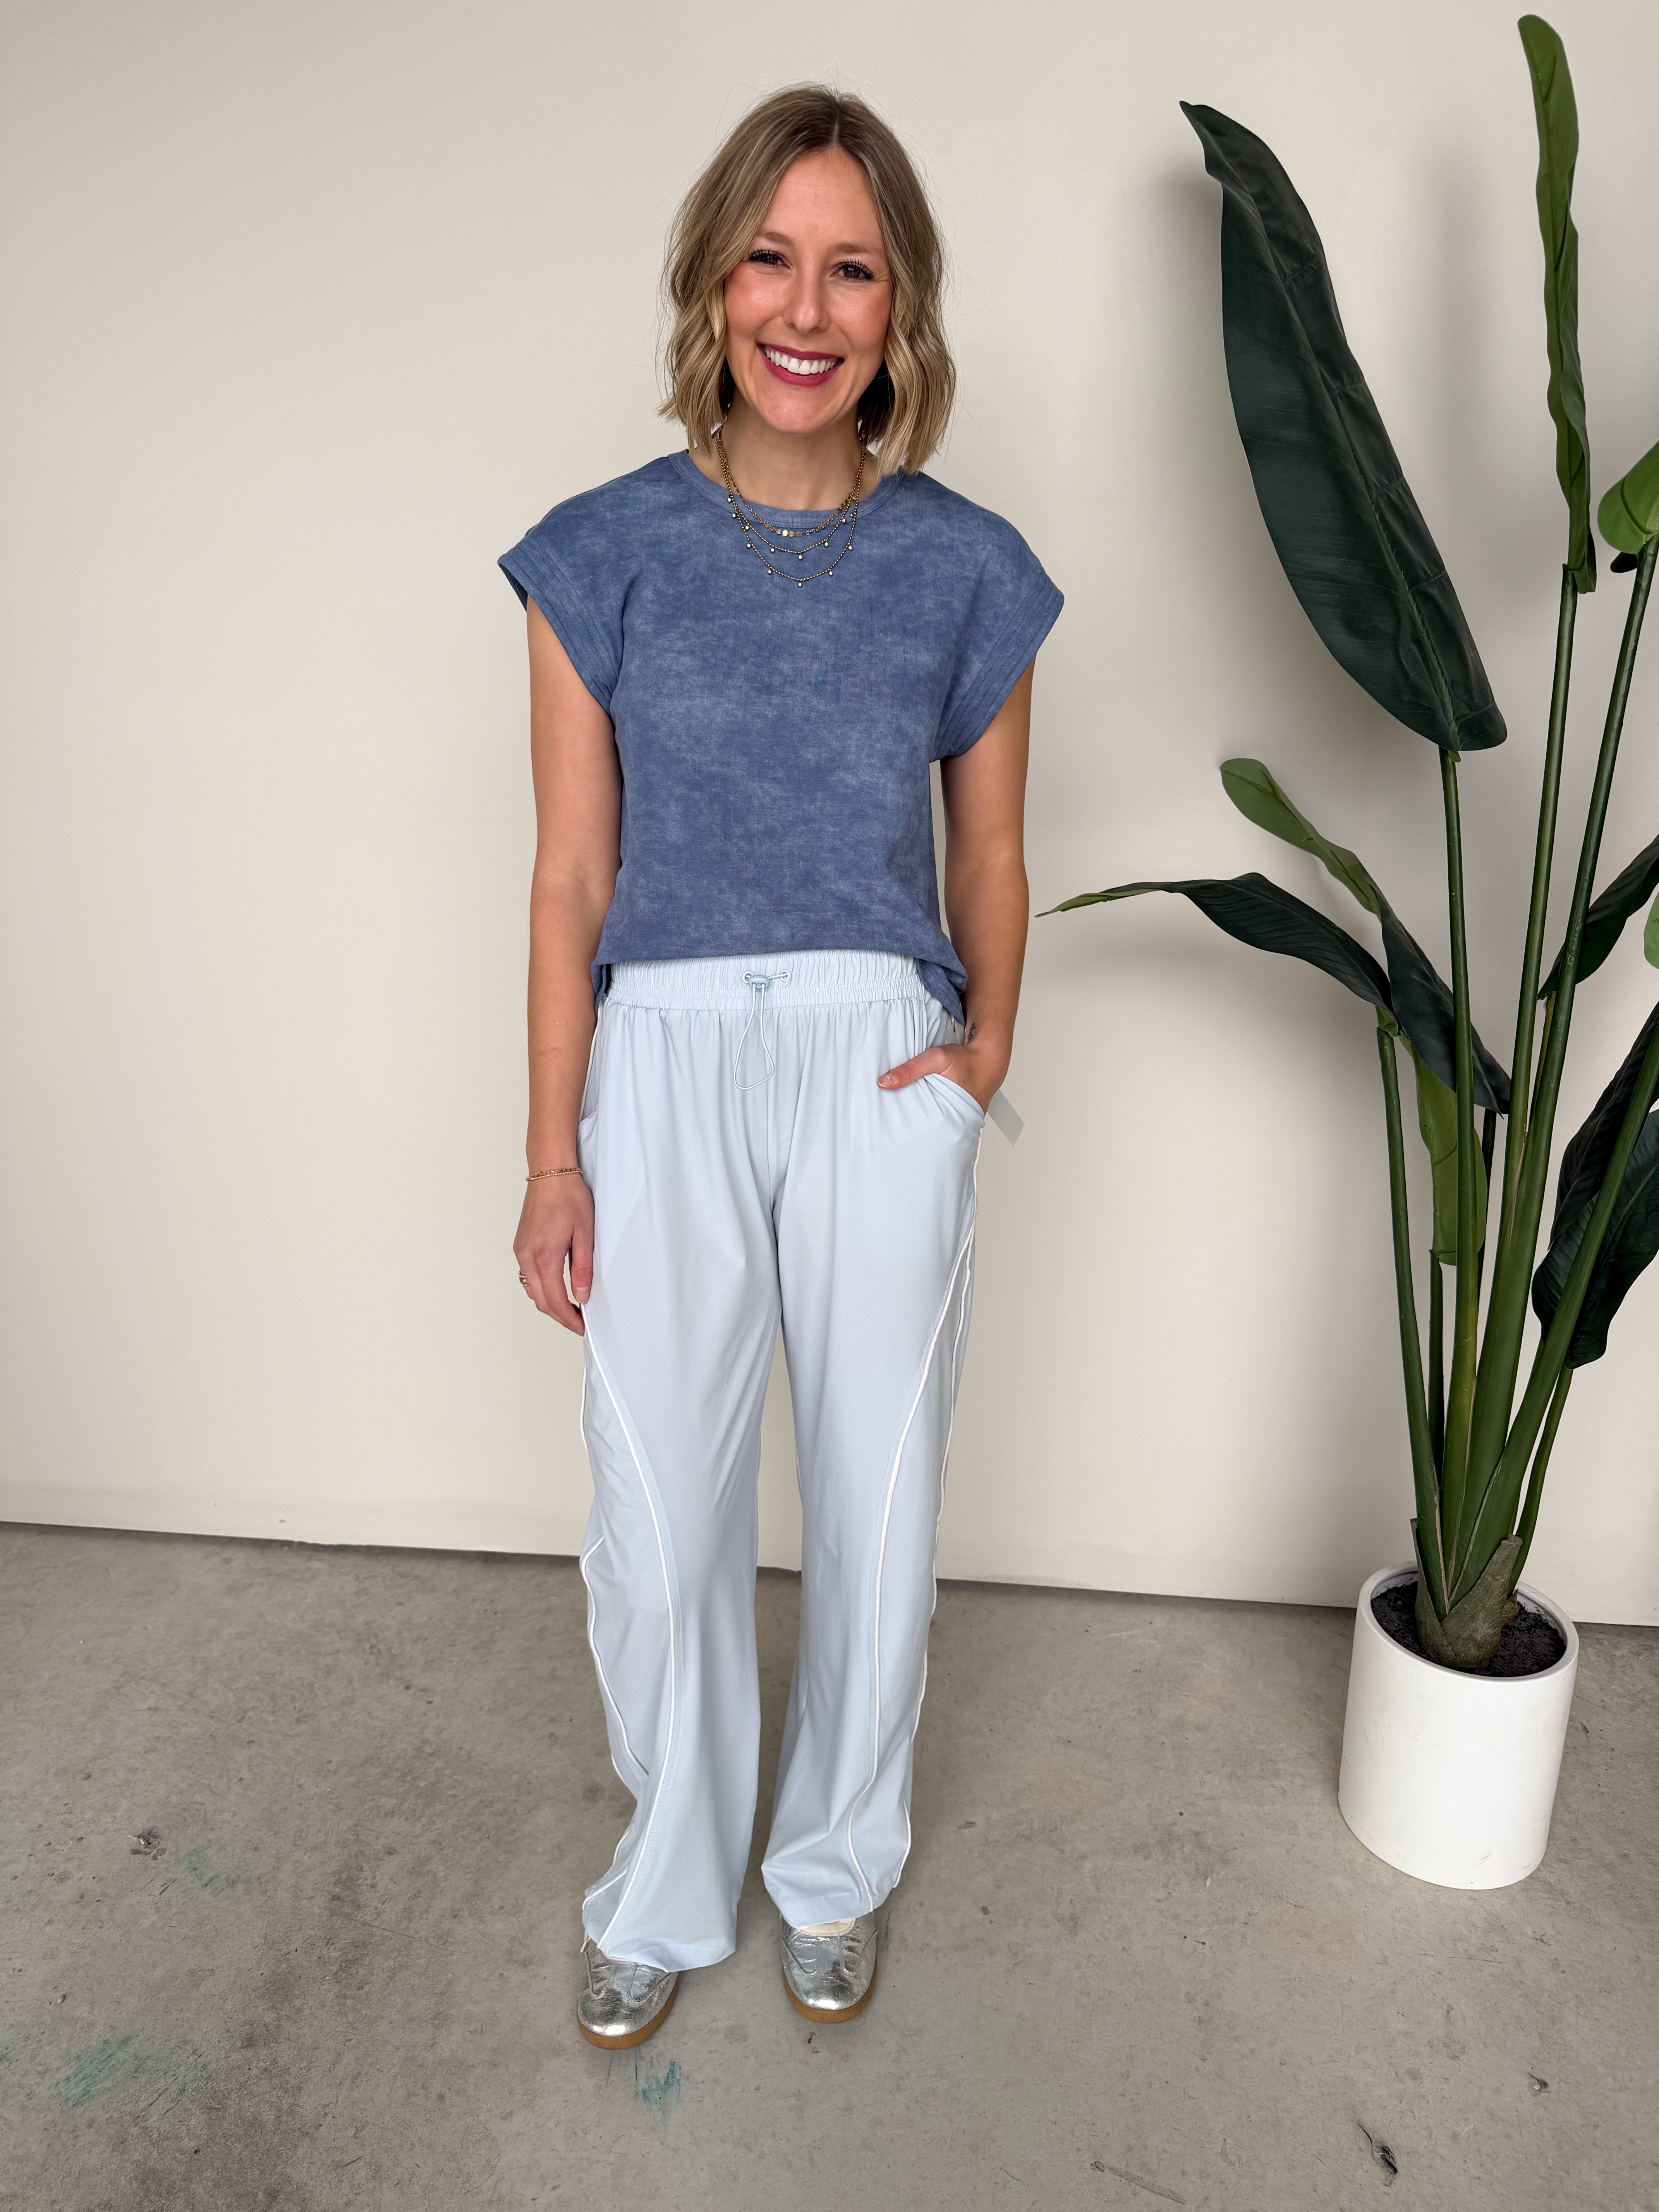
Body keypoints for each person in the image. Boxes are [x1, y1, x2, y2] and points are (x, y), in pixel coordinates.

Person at [498, 84, 1062, 2050]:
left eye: (852, 269)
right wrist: (554, 1152)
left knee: (880, 1503)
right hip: (658, 1050)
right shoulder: (599, 554)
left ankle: (832, 1868)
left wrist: (981, 1053)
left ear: (901, 307)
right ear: (711, 280)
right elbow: (573, 876)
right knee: (660, 1518)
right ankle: (668, 1879)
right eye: (769, 259)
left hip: (878, 1058)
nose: (805, 311)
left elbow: (990, 852)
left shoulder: (970, 567)